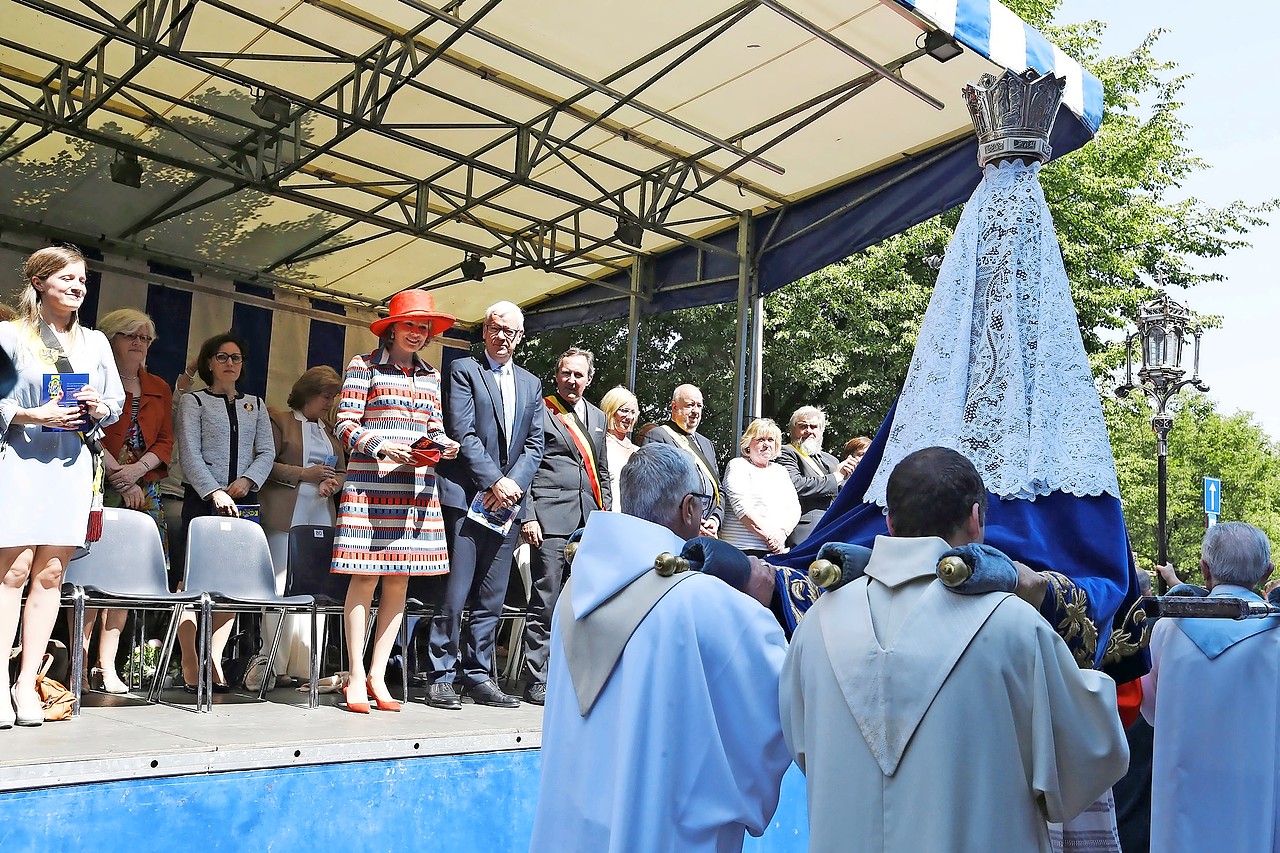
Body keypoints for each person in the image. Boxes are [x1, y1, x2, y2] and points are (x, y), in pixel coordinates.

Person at [780, 447, 1129, 852]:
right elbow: (1082, 768)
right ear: (977, 519)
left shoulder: (818, 623)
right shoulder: (1013, 625)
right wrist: (1092, 682)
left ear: (889, 522)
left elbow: (806, 751)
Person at [529, 443, 790, 852]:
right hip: (663, 834)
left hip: (575, 831)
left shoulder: (574, 591)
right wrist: (761, 602)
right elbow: (786, 701)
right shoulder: (702, 601)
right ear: (690, 509)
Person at [0, 246, 123, 728]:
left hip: (70, 466)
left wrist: (97, 405)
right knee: (13, 571)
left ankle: (26, 682)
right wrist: (30, 413)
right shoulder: (10, 336)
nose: (77, 287)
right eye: (67, 278)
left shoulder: (95, 343)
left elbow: (114, 403)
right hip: (20, 462)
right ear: (39, 283)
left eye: (83, 280)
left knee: (51, 573)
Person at [331, 291, 459, 714]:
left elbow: (434, 426)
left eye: (424, 327)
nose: (418, 333)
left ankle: (378, 674)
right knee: (365, 578)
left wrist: (444, 445)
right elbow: (344, 423)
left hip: (416, 489)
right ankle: (354, 672)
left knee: (400, 582)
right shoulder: (362, 365)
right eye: (411, 325)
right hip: (370, 486)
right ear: (392, 328)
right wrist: (382, 446)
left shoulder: (431, 375)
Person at [428, 300, 544, 711]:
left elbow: (535, 444)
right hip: (466, 499)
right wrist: (495, 480)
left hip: (506, 506)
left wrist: (510, 486)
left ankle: (479, 674)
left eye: (510, 331)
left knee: (492, 597)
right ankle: (441, 674)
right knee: (455, 593)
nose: (502, 337)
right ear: (484, 331)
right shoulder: (464, 371)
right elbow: (463, 433)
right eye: (496, 328)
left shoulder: (532, 384)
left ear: (520, 336)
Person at [1140, 522, 1280, 853]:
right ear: (1266, 571)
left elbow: (1152, 710)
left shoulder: (1167, 629)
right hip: (1256, 791)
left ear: (1205, 569)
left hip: (1184, 791)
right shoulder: (1275, 635)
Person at [174, 331, 275, 693]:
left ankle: (213, 660)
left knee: (230, 587)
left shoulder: (257, 404)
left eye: (236, 357)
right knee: (192, 584)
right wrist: (214, 490)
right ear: (208, 362)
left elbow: (266, 452)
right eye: (222, 357)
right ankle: (190, 660)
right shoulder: (194, 401)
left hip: (243, 502)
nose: (230, 363)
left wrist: (246, 482)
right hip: (202, 500)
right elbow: (189, 452)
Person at [89, 308, 175, 694]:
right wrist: (118, 475)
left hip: (144, 486)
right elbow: (83, 428)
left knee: (125, 580)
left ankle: (107, 666)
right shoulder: (94, 381)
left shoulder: (159, 385)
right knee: (91, 577)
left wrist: (137, 471)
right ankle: (78, 663)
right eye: (130, 336)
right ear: (110, 341)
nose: (139, 344)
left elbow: (166, 441)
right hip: (98, 482)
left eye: (145, 338)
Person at [520, 347, 610, 705]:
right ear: (557, 375)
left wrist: (606, 519)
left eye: (579, 375)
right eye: (566, 373)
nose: (572, 381)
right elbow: (527, 465)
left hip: (589, 522)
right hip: (550, 518)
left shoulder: (599, 418)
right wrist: (528, 515)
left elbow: (602, 473)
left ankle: (571, 677)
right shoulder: (541, 411)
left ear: (589, 379)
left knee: (583, 606)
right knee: (546, 602)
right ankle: (536, 679)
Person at [258, 366, 346, 686]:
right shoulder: (279, 420)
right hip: (284, 518)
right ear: (309, 393)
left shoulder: (330, 430)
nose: (330, 403)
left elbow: (343, 470)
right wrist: (304, 475)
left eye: (333, 397)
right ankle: (273, 665)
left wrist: (332, 484)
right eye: (326, 396)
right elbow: (264, 463)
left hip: (321, 516)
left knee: (314, 593)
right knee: (280, 589)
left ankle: (305, 667)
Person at [642, 384, 722, 536]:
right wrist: (691, 524)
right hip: (676, 531)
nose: (696, 411)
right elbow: (656, 490)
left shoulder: (707, 444)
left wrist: (714, 520)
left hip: (708, 531)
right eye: (690, 405)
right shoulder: (658, 436)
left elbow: (719, 490)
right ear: (674, 406)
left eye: (699, 406)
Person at [720, 417, 800, 557]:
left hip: (775, 551)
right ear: (748, 444)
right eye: (760, 439)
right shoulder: (738, 466)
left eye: (771, 440)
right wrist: (771, 538)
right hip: (740, 551)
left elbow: (794, 509)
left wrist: (782, 534)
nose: (766, 444)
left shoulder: (781, 471)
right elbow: (742, 508)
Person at [776, 406, 855, 547]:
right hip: (806, 530)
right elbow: (796, 485)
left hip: (835, 527)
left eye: (814, 427)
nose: (809, 431)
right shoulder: (786, 453)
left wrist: (849, 478)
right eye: (803, 426)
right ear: (791, 431)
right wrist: (836, 477)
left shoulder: (831, 460)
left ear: (821, 431)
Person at [599, 386, 639, 511]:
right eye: (624, 411)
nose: (629, 417)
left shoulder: (638, 451)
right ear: (610, 410)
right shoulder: (599, 445)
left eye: (633, 412)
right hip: (609, 519)